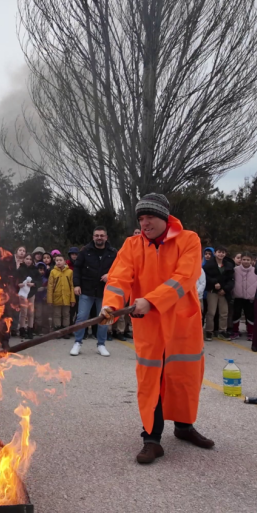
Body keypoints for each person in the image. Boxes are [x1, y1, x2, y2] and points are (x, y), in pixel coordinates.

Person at [101, 193, 213, 465]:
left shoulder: (189, 239)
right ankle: (151, 439)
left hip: (182, 322)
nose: (144, 222)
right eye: (141, 218)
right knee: (150, 380)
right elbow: (118, 279)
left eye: (149, 216)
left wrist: (151, 300)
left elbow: (185, 277)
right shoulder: (132, 245)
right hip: (149, 325)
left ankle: (184, 427)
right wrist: (111, 306)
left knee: (184, 377)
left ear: (164, 217)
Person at [71, 226, 117, 357]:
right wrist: (76, 284)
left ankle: (101, 344)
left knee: (104, 318)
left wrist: (110, 275)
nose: (99, 238)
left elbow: (120, 268)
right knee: (82, 317)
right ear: (93, 237)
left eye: (102, 235)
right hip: (86, 290)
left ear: (106, 237)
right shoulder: (85, 251)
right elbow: (77, 268)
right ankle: (77, 342)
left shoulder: (113, 252)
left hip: (105, 291)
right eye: (97, 235)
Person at [203, 246, 235, 341]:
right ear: (215, 253)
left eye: (223, 252)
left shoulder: (228, 265)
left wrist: (225, 289)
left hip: (223, 292)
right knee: (211, 312)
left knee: (224, 312)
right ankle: (209, 331)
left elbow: (231, 280)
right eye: (219, 252)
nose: (221, 254)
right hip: (212, 291)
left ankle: (222, 331)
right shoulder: (208, 265)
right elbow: (205, 277)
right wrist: (214, 283)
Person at [48, 255, 75, 339]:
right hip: (56, 297)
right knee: (57, 314)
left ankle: (65, 331)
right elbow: (50, 286)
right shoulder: (53, 272)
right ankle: (57, 330)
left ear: (64, 261)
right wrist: (50, 300)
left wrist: (72, 299)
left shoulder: (70, 272)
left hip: (67, 297)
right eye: (57, 260)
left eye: (60, 260)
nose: (58, 262)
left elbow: (72, 286)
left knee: (66, 314)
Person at [232, 252, 257, 340]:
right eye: (244, 259)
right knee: (236, 314)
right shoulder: (235, 270)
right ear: (241, 260)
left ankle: (250, 332)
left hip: (250, 297)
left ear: (252, 260)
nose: (246, 261)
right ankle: (235, 331)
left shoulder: (255, 271)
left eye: (248, 260)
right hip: (237, 296)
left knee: (250, 315)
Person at [16, 254, 41, 339]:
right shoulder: (20, 269)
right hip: (22, 294)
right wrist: (18, 284)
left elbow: (39, 280)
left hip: (31, 293)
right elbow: (15, 280)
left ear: (32, 261)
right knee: (23, 312)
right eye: (27, 259)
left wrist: (34, 284)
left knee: (31, 312)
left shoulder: (35, 270)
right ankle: (22, 330)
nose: (28, 261)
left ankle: (30, 329)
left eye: (30, 259)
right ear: (24, 260)